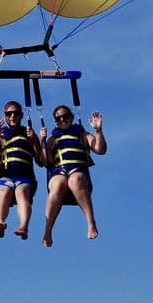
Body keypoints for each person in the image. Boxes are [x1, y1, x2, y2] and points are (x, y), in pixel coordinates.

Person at [0, 101, 45, 241]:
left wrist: (36, 140)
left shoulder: (28, 134)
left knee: (22, 193)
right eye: (9, 113)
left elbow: (41, 162)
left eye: (16, 113)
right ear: (5, 115)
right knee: (5, 192)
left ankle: (23, 227)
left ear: (21, 116)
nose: (12, 116)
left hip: (24, 177)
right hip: (4, 177)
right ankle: (0, 223)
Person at [40, 106, 106, 247]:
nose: (62, 120)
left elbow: (100, 150)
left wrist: (98, 131)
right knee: (58, 183)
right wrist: (43, 142)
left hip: (78, 173)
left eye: (65, 116)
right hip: (59, 173)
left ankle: (91, 222)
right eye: (58, 118)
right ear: (55, 121)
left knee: (75, 180)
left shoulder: (82, 134)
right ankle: (48, 229)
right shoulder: (53, 139)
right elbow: (47, 163)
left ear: (71, 117)